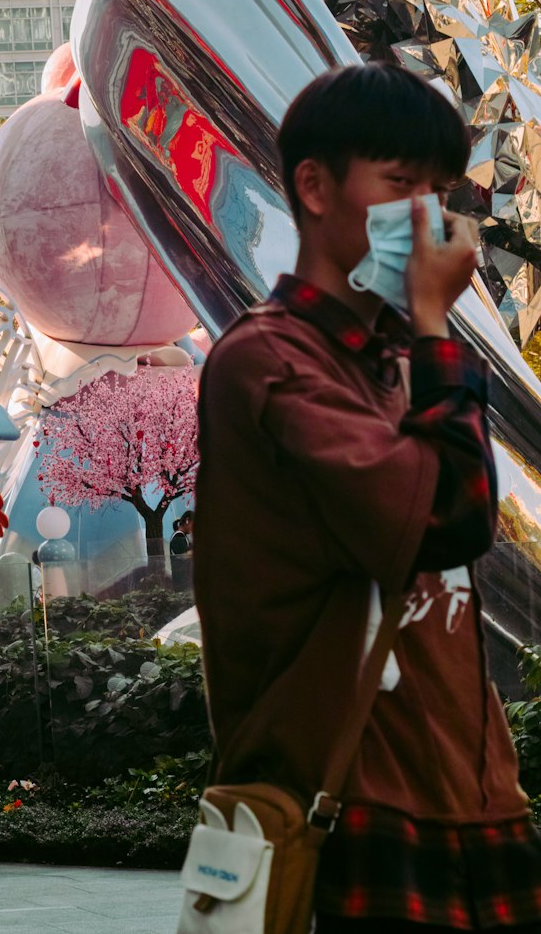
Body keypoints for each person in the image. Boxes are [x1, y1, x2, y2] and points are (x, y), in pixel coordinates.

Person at [195, 63, 541, 933]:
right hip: (355, 797)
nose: (429, 215)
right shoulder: (269, 363)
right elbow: (451, 518)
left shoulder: (393, 366)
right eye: (400, 184)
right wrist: (434, 324)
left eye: (440, 189)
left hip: (471, 793)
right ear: (314, 186)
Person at [169, 510, 193, 590]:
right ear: (187, 521)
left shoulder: (182, 536)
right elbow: (183, 556)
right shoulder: (178, 536)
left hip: (185, 579)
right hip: (182, 580)